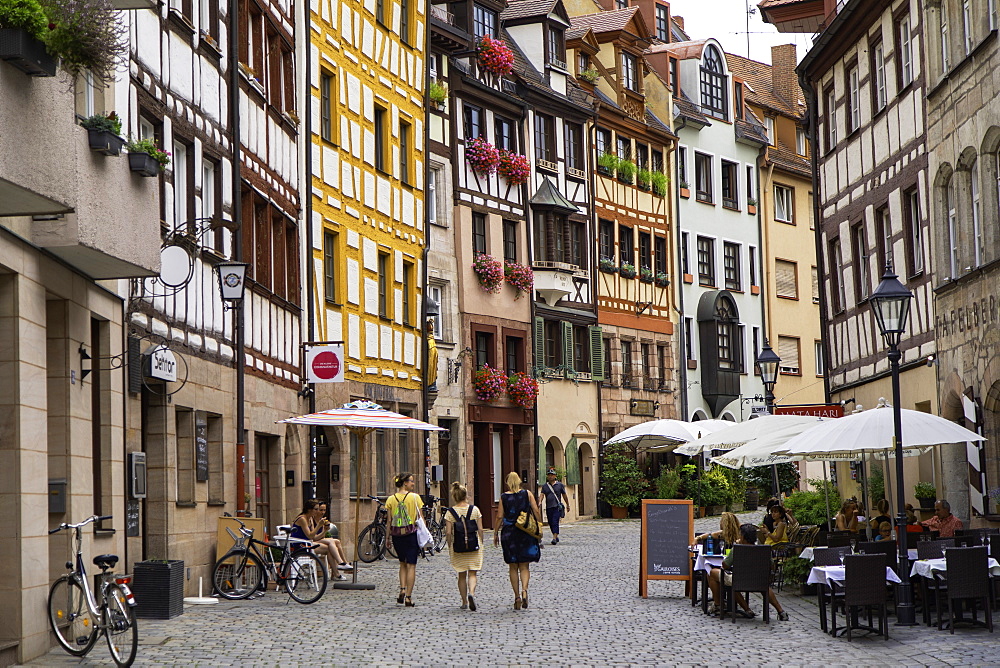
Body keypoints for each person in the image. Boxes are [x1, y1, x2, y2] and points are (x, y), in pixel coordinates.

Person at [707, 523, 789, 621]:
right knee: (764, 586)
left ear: (742, 536)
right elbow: (772, 565)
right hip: (759, 580)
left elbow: (726, 565)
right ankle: (780, 611)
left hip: (739, 580)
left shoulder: (737, 549)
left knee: (713, 573)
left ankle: (720, 605)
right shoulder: (764, 549)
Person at [494, 471, 541, 610]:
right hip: (525, 531)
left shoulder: (503, 497)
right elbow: (536, 510)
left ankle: (517, 597)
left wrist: (496, 532)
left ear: (507, 482)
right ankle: (525, 591)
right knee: (525, 566)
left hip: (510, 533)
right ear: (519, 481)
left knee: (513, 566)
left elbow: (499, 516)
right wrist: (539, 525)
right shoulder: (527, 494)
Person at [385, 472, 424, 607]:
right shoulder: (415, 498)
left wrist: (387, 537)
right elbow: (421, 519)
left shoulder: (391, 499)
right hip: (411, 534)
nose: (413, 484)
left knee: (402, 563)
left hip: (397, 535)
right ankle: (408, 597)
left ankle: (402, 588)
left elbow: (389, 520)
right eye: (411, 481)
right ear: (405, 483)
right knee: (411, 565)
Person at [444, 481, 484, 611]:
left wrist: (449, 545)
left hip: (458, 547)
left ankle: (464, 601)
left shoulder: (450, 512)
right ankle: (471, 593)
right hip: (473, 546)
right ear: (466, 495)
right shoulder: (475, 510)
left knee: (461, 575)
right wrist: (481, 541)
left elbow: (449, 532)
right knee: (473, 573)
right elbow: (480, 529)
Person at [289, 500, 347, 580]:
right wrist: (319, 526)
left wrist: (325, 530)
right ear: (310, 509)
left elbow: (315, 537)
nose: (317, 511)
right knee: (330, 548)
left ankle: (338, 569)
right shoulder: (302, 519)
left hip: (308, 543)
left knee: (331, 543)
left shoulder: (310, 519)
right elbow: (310, 536)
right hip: (301, 545)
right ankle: (339, 567)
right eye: (316, 509)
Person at [316, 500, 353, 571]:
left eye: (324, 510)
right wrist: (323, 529)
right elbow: (313, 536)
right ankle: (341, 563)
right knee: (331, 544)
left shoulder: (322, 520)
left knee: (337, 541)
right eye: (321, 510)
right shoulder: (313, 520)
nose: (323, 512)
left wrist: (325, 529)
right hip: (314, 540)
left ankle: (344, 563)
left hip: (319, 539)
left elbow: (322, 536)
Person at [538, 468, 570, 545]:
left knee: (555, 521)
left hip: (557, 507)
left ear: (555, 476)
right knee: (550, 522)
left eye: (552, 475)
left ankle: (554, 538)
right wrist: (539, 502)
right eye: (549, 475)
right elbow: (542, 494)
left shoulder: (560, 485)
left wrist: (567, 504)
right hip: (549, 507)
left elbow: (564, 495)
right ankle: (556, 535)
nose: (550, 476)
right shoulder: (545, 486)